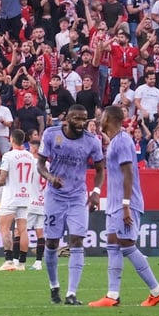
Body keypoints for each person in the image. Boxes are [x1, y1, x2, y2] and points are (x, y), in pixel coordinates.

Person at [88, 105, 159, 307]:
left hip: (125, 203)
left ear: (110, 119)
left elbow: (128, 173)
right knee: (112, 245)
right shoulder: (115, 141)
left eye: (102, 116)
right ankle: (112, 295)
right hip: (114, 203)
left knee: (126, 245)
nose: (99, 119)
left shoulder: (123, 141)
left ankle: (156, 291)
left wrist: (126, 205)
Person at [36, 104, 105, 305]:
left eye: (84, 119)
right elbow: (40, 164)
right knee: (51, 243)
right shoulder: (51, 134)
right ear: (67, 119)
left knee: (77, 241)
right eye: (77, 119)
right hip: (54, 196)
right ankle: (54, 286)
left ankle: (71, 293)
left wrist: (96, 192)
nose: (81, 123)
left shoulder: (92, 141)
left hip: (77, 197)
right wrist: (50, 178)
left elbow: (100, 169)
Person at [0, 129, 36, 272]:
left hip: (11, 196)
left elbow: (2, 179)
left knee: (5, 228)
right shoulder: (30, 156)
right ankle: (22, 263)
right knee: (22, 229)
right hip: (25, 196)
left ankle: (9, 260)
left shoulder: (8, 156)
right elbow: (31, 177)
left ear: (11, 139)